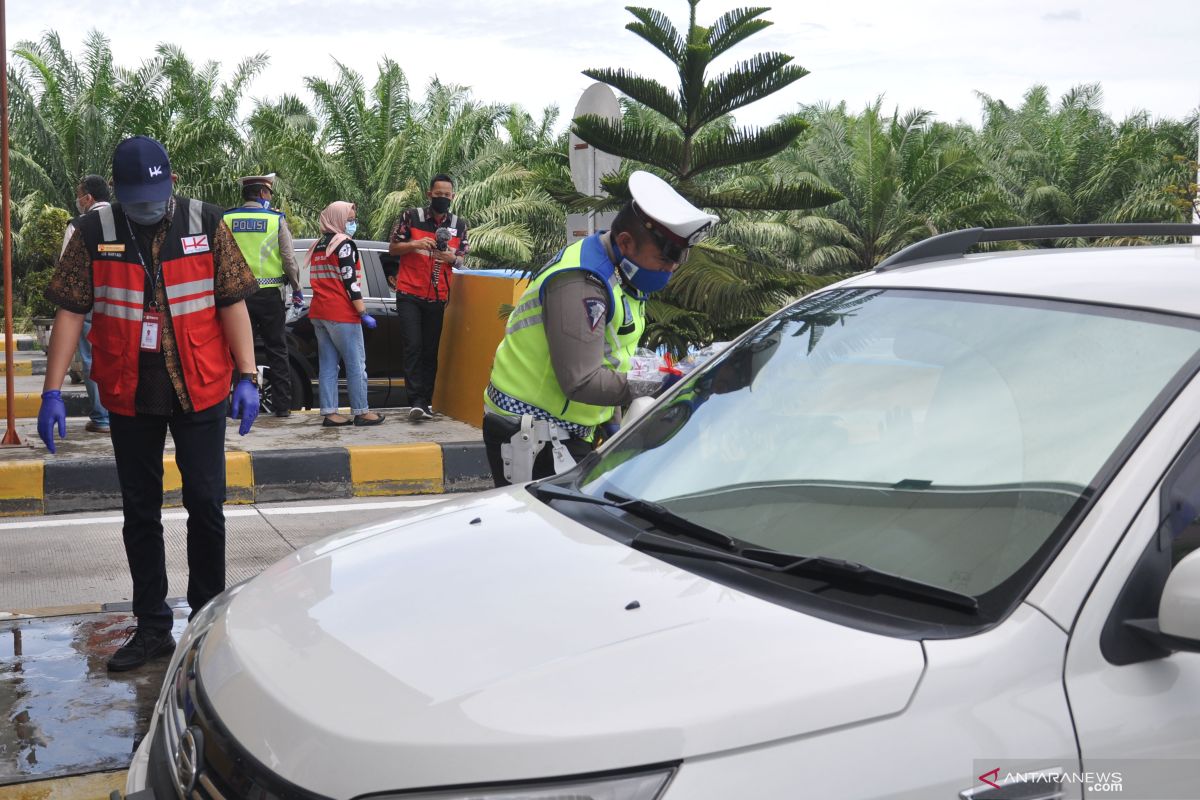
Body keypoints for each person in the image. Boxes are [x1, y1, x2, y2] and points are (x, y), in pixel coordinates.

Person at [37, 135, 261, 672]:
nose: (146, 205)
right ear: (116, 190)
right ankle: (153, 627)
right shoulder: (94, 231)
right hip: (129, 390)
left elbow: (230, 302)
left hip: (200, 384)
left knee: (205, 506)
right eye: (135, 195)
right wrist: (50, 390)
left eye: (154, 194)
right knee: (140, 513)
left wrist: (249, 375)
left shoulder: (206, 222)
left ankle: (206, 623)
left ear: (172, 184)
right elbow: (70, 311)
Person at [482, 170, 717, 486]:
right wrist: (664, 380)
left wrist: (612, 423)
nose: (672, 267)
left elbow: (613, 356)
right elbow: (582, 380)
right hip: (531, 432)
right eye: (665, 256)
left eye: (680, 257)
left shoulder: (622, 274)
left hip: (567, 426)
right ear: (626, 242)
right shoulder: (582, 284)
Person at [387, 174, 469, 421]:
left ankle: (427, 402)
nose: (442, 198)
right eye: (438, 194)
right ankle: (416, 401)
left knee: (430, 351)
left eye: (447, 195)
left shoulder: (459, 224)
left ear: (452, 197)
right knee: (413, 346)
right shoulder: (411, 217)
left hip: (438, 296)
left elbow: (464, 258)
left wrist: (452, 259)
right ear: (429, 194)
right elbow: (392, 248)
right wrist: (414, 244)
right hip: (409, 293)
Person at [224, 174, 303, 417]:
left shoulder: (226, 218)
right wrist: (297, 288)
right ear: (262, 194)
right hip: (269, 296)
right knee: (277, 349)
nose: (270, 197)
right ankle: (282, 408)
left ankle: (233, 407)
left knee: (236, 351)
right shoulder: (275, 220)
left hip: (237, 297)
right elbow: (289, 260)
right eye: (269, 193)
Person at [305, 201, 384, 427]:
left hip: (319, 312)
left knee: (328, 365)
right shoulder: (344, 244)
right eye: (349, 220)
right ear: (338, 219)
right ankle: (361, 411)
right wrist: (362, 311)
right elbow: (350, 281)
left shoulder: (319, 244)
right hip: (341, 312)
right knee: (356, 363)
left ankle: (330, 413)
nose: (352, 224)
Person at [59, 175, 112, 433]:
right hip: (125, 299)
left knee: (92, 358)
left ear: (88, 198)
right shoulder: (126, 221)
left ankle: (102, 418)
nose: (78, 201)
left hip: (90, 303)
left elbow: (67, 270)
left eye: (80, 195)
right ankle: (123, 413)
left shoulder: (79, 225)